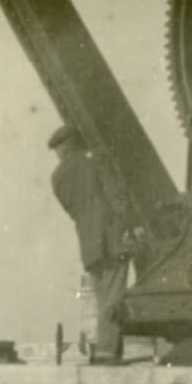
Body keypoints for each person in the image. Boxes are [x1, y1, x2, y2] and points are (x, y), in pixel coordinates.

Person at [49, 122, 129, 363]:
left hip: (89, 244)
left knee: (103, 298)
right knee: (113, 297)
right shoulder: (95, 160)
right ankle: (107, 351)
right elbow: (117, 197)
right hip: (111, 239)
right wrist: (127, 226)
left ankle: (110, 350)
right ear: (75, 142)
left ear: (63, 148)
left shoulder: (57, 177)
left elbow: (73, 210)